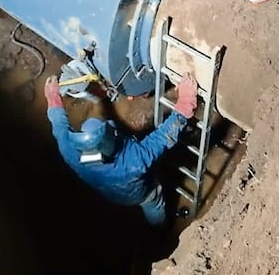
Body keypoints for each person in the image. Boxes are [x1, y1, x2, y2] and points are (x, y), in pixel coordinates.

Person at [44, 73, 198, 226]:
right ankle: (159, 227)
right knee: (154, 202)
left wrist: (53, 97)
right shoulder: (133, 161)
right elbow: (164, 136)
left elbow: (59, 124)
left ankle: (156, 229)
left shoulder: (70, 151)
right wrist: (186, 101)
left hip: (111, 194)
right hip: (139, 194)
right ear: (110, 143)